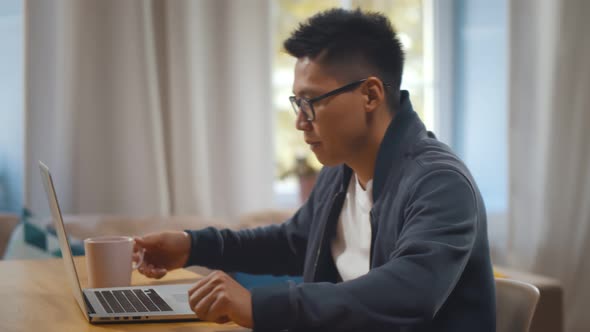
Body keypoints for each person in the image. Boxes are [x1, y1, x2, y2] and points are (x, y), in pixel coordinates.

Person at [134, 8, 496, 332]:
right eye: (297, 103)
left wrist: (260, 306)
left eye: (311, 102)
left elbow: (410, 291)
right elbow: (295, 242)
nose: (300, 122)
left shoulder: (439, 182)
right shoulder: (342, 173)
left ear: (370, 95)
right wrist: (192, 246)